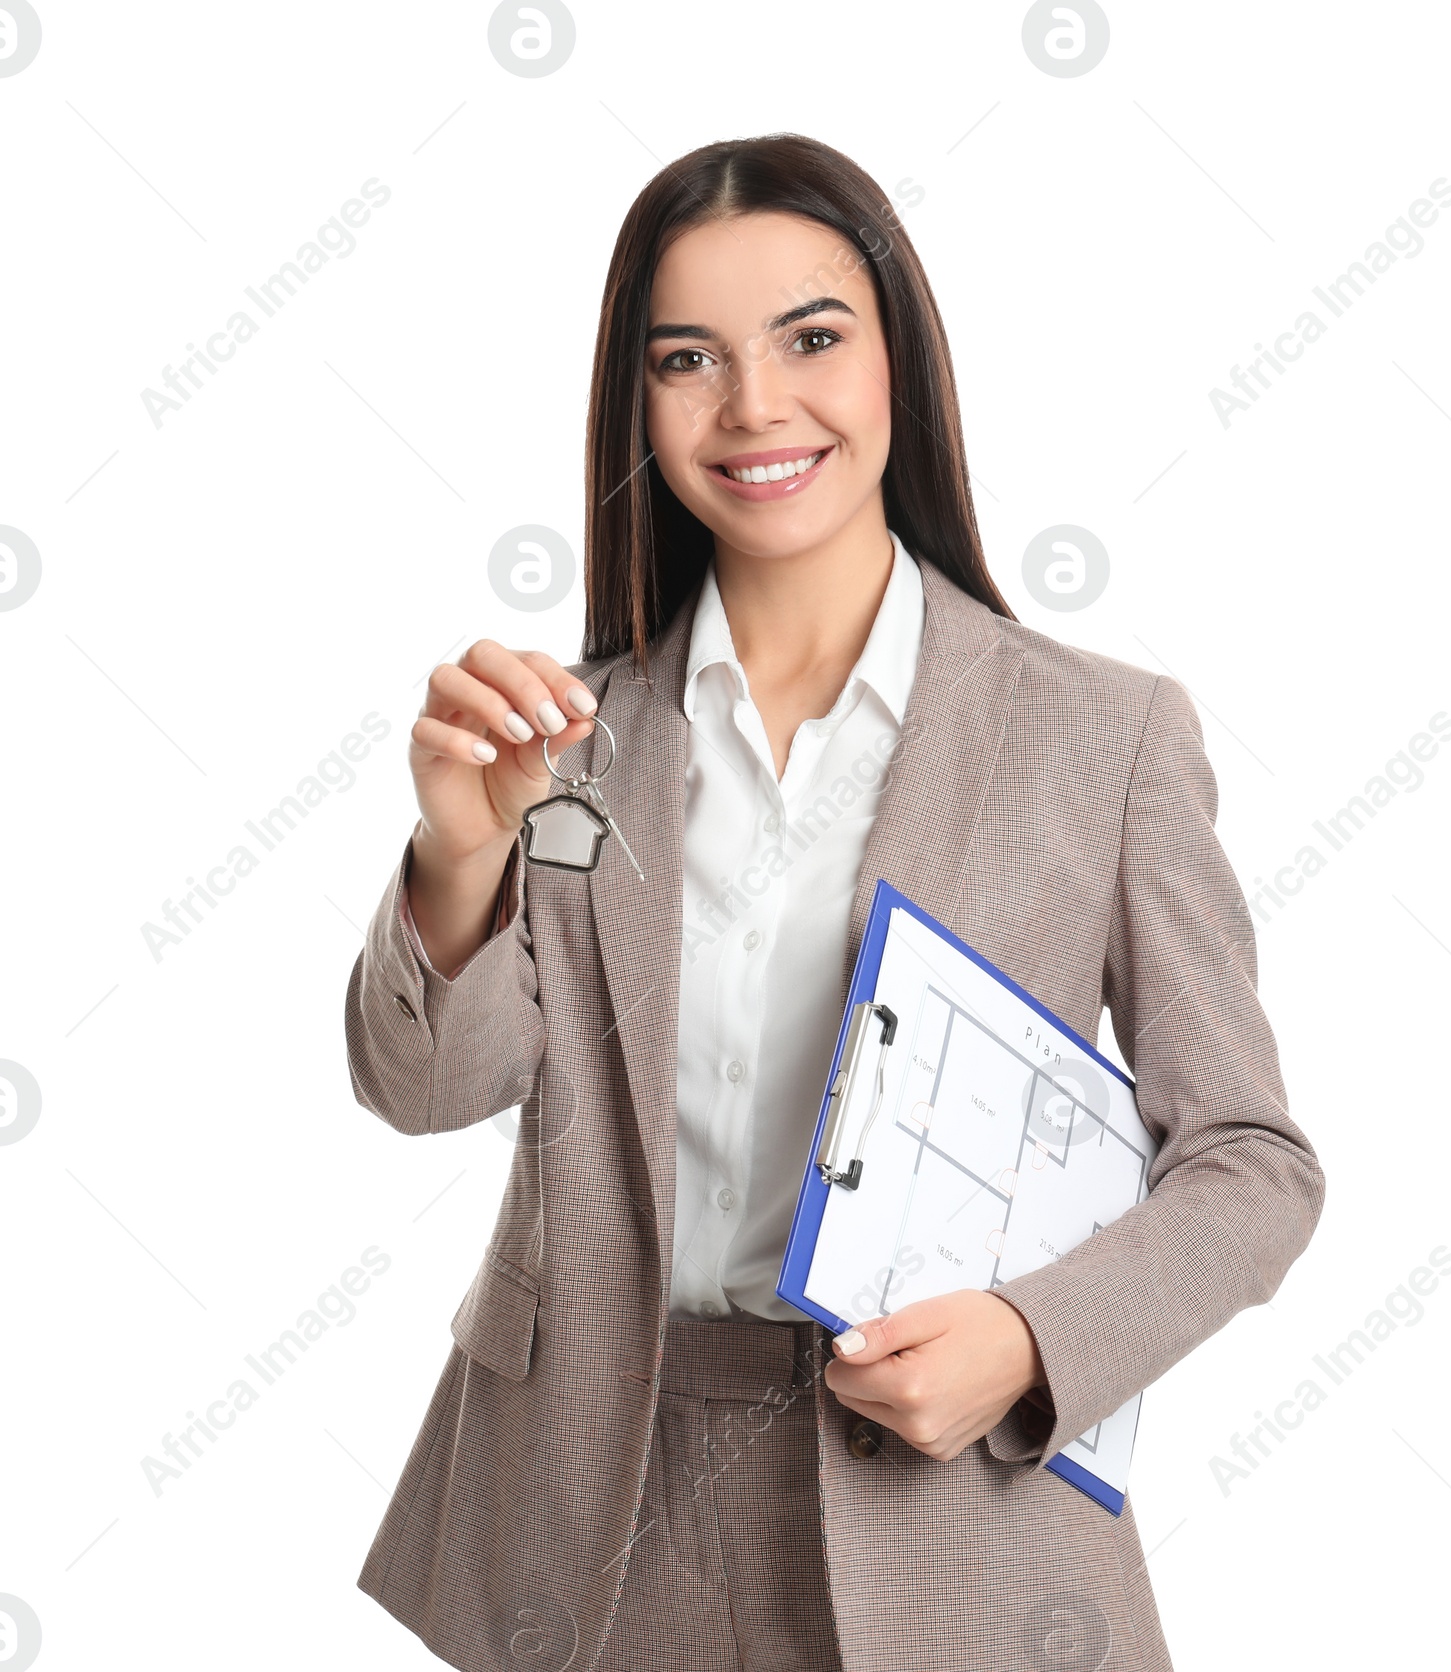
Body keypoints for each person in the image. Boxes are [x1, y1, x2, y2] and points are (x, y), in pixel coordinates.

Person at [345, 132, 1324, 1672]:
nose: (755, 407)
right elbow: (427, 1090)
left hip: (952, 1517)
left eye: (811, 338)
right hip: (597, 1511)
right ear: (637, 404)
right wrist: (459, 856)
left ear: (898, 366)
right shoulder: (566, 743)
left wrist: (1027, 1341)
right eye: (689, 360)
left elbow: (1251, 1164)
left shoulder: (1103, 737)